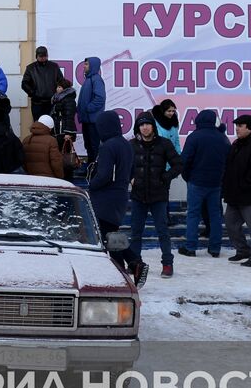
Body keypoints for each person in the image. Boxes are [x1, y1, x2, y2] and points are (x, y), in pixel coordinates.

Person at [130, 111, 183, 278]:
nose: (145, 127)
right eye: (141, 125)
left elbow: (178, 165)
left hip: (158, 196)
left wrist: (165, 178)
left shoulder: (164, 144)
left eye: (148, 124)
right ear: (138, 127)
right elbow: (123, 165)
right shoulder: (131, 145)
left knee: (163, 231)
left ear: (153, 126)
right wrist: (129, 178)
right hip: (138, 195)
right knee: (135, 232)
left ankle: (167, 264)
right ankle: (135, 263)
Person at [89, 110, 139, 277]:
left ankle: (126, 268)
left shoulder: (108, 146)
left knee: (107, 236)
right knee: (111, 233)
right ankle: (128, 266)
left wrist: (91, 185)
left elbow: (104, 175)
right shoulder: (126, 144)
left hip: (105, 197)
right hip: (120, 194)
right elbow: (132, 170)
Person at [178, 109, 231, 258]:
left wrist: (187, 176)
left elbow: (185, 160)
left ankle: (191, 247)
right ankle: (215, 249)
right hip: (215, 184)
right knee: (215, 215)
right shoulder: (223, 138)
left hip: (196, 182)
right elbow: (228, 162)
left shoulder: (194, 137)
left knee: (193, 214)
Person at [223, 114, 251, 268]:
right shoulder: (236, 144)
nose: (237, 128)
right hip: (234, 195)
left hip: (250, 196)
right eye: (236, 126)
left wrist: (242, 186)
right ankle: (242, 250)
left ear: (249, 128)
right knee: (230, 223)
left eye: (241, 126)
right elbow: (229, 168)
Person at [77, 56, 106, 166]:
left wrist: (87, 108)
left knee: (94, 146)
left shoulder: (96, 79)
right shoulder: (88, 79)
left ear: (93, 66)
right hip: (87, 120)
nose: (84, 66)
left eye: (87, 64)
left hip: (93, 121)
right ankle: (90, 167)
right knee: (88, 145)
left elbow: (100, 99)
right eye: (84, 64)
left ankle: (95, 169)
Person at [21, 46, 60, 123]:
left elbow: (61, 80)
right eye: (40, 56)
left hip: (51, 102)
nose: (43, 58)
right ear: (36, 56)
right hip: (37, 103)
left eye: (44, 56)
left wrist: (58, 92)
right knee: (38, 125)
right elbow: (24, 83)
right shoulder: (30, 68)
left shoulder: (54, 66)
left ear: (47, 56)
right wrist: (33, 93)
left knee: (52, 125)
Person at [21, 114, 65, 179]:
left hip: (31, 178)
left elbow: (23, 162)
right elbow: (56, 163)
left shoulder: (26, 140)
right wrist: (60, 177)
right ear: (49, 128)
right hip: (48, 179)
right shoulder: (51, 140)